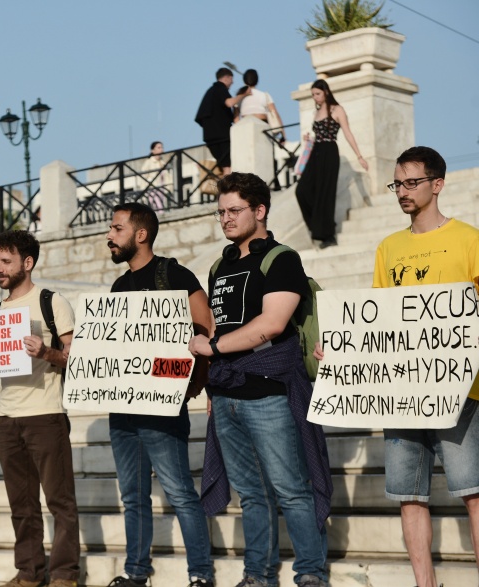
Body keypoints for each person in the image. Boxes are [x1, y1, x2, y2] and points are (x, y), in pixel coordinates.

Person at [190, 172, 332, 587]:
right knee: (250, 494)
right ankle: (258, 575)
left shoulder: (282, 258)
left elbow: (271, 324)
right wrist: (213, 378)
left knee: (291, 489)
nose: (226, 219)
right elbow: (219, 326)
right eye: (221, 212)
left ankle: (310, 574)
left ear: (260, 210)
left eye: (234, 210)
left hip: (270, 388)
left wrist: (213, 349)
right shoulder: (220, 265)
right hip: (227, 391)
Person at [370, 147, 479, 587]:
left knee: (473, 493)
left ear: (437, 183)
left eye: (411, 182)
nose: (402, 192)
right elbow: (377, 316)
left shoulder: (470, 239)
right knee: (407, 496)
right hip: (402, 393)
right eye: (397, 183)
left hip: (461, 391)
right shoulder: (388, 247)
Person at [0, 230, 80, 587]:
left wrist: (47, 353)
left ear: (27, 262)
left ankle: (65, 574)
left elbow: (77, 357)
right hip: (8, 417)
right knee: (21, 504)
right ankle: (29, 572)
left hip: (46, 413)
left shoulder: (52, 302)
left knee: (59, 500)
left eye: (5, 261)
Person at [104, 202, 215, 587]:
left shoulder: (173, 273)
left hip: (163, 406)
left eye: (116, 229)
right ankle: (136, 572)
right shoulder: (118, 286)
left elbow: (205, 327)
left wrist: (193, 383)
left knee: (181, 492)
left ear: (141, 235)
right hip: (122, 407)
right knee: (133, 496)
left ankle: (200, 573)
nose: (109, 236)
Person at [295, 79, 369, 249]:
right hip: (316, 152)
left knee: (325, 193)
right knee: (302, 191)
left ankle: (328, 234)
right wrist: (309, 140)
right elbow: (318, 135)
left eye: (318, 94)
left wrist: (359, 156)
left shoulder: (337, 109)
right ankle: (317, 226)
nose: (315, 97)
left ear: (326, 92)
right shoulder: (317, 111)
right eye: (313, 94)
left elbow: (348, 133)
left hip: (329, 152)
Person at [195, 67, 251, 176]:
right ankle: (228, 191)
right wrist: (243, 95)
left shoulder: (210, 92)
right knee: (227, 167)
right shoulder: (220, 89)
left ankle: (225, 189)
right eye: (231, 79)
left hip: (210, 137)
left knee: (223, 166)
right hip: (222, 136)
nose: (232, 82)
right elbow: (229, 103)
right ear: (226, 78)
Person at [235, 69, 286, 142]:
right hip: (263, 125)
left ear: (244, 81)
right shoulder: (264, 95)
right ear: (257, 81)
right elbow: (275, 114)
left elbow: (236, 118)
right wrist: (283, 135)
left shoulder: (239, 97)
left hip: (246, 126)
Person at [139, 141, 171, 211]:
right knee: (158, 208)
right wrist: (144, 191)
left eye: (162, 147)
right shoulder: (148, 162)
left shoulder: (163, 162)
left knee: (163, 206)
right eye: (159, 148)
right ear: (153, 150)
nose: (161, 149)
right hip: (153, 189)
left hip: (163, 188)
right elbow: (143, 177)